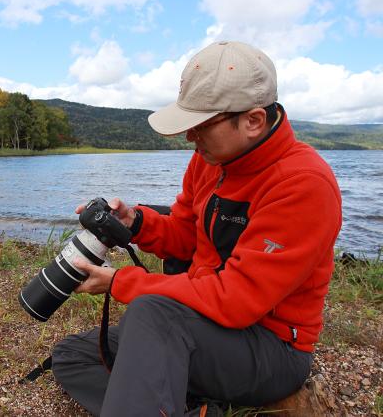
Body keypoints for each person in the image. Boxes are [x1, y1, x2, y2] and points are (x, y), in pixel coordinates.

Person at [50, 41, 342, 416]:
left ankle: (154, 393)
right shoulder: (210, 160)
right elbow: (186, 236)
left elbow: (236, 299)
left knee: (152, 313)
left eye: (201, 125)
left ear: (253, 121)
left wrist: (119, 282)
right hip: (201, 324)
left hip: (272, 347)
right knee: (73, 356)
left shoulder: (303, 184)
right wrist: (136, 222)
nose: (190, 137)